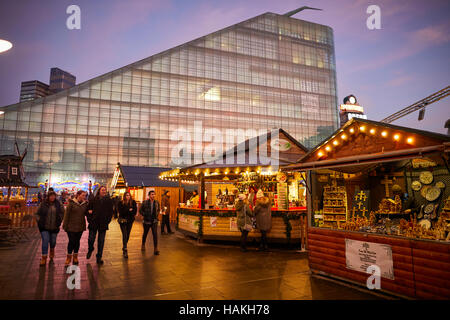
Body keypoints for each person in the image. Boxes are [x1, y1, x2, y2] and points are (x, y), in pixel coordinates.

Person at [34, 191, 64, 266]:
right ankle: (44, 257)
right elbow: (37, 213)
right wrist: (39, 220)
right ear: (48, 196)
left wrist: (60, 219)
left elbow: (63, 212)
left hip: (54, 227)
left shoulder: (58, 204)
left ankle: (52, 250)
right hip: (44, 226)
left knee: (53, 241)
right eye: (51, 196)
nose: (52, 197)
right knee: (45, 241)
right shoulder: (43, 204)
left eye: (53, 196)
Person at [86, 186, 114, 264]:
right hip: (94, 223)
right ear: (99, 191)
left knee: (101, 241)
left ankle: (99, 257)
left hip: (103, 224)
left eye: (105, 190)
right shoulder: (93, 199)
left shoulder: (108, 200)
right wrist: (90, 218)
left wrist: (108, 221)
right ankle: (90, 249)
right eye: (102, 190)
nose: (104, 191)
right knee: (91, 239)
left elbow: (111, 211)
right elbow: (87, 210)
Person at [63, 190, 88, 266]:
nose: (84, 197)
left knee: (77, 242)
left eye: (85, 195)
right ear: (78, 195)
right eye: (83, 195)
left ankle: (75, 257)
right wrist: (65, 225)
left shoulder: (85, 204)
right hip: (71, 226)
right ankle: (68, 257)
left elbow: (87, 213)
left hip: (80, 226)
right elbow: (66, 215)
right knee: (71, 241)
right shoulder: (71, 203)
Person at [139, 190, 160, 255]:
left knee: (155, 234)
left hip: (154, 221)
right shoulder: (145, 202)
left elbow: (158, 209)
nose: (153, 196)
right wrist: (144, 214)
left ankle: (155, 249)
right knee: (145, 233)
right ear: (149, 195)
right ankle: (143, 244)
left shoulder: (157, 202)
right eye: (152, 194)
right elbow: (140, 210)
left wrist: (157, 215)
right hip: (146, 221)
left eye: (154, 194)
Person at [118, 191, 137, 258]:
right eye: (126, 195)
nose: (128, 196)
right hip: (122, 221)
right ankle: (125, 249)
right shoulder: (120, 203)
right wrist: (129, 210)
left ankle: (124, 246)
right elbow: (121, 212)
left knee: (128, 235)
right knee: (125, 234)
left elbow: (134, 212)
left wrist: (127, 210)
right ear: (124, 196)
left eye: (129, 195)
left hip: (130, 221)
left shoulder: (133, 202)